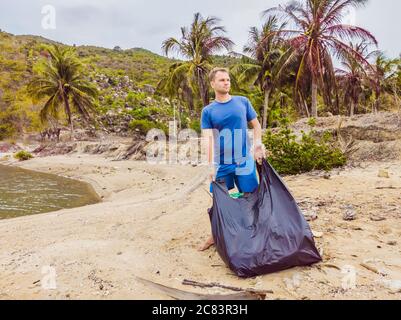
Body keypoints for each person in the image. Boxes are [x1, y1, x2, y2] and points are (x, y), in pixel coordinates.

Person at [199, 67, 267, 251]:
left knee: (251, 197)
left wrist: (258, 145)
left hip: (244, 161)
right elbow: (208, 139)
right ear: (213, 84)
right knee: (220, 201)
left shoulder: (242, 102)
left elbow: (256, 125)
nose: (226, 82)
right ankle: (215, 235)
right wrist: (211, 165)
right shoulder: (208, 111)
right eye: (221, 80)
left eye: (228, 79)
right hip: (222, 164)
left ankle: (255, 233)